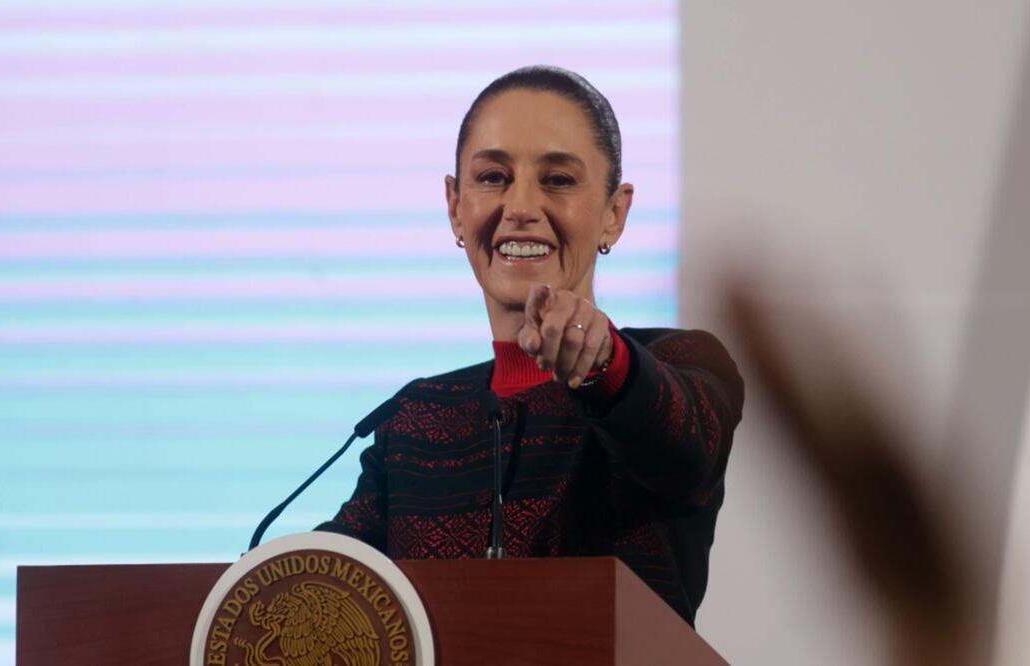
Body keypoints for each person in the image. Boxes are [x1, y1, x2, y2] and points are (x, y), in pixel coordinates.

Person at [317, 65, 744, 626]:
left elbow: (680, 442)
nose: (520, 206)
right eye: (493, 176)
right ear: (455, 207)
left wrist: (601, 364)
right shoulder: (416, 418)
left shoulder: (680, 362)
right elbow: (323, 580)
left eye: (559, 180)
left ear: (614, 215)